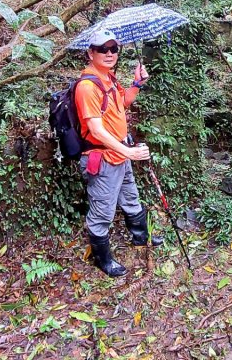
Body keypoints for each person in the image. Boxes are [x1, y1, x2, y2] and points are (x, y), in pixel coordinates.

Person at [74, 29, 163, 277]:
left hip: (120, 154)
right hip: (103, 158)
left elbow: (122, 103)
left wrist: (137, 83)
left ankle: (141, 237)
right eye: (103, 49)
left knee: (131, 198)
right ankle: (103, 260)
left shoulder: (108, 78)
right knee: (102, 211)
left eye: (114, 49)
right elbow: (95, 129)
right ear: (90, 53)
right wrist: (129, 152)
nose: (109, 53)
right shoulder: (87, 87)